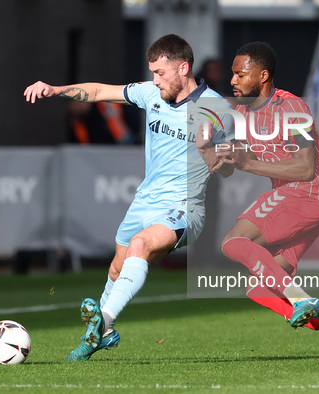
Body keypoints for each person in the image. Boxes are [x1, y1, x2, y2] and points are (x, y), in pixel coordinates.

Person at [24, 34, 234, 361]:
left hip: (184, 208)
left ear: (183, 68)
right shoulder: (151, 93)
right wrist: (55, 89)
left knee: (140, 245)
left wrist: (218, 157)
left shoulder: (216, 108)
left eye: (160, 73)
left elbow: (229, 165)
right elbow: (99, 92)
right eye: (152, 72)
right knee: (116, 269)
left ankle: (102, 323)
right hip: (145, 201)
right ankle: (99, 336)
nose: (154, 80)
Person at [206, 42, 319, 367]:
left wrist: (246, 164)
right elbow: (228, 167)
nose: (233, 80)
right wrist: (218, 155)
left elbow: (305, 167)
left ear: (262, 75)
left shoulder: (293, 109)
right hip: (302, 203)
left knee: (234, 242)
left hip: (306, 194)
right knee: (260, 289)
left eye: (241, 73)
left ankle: (303, 301)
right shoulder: (241, 113)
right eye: (233, 74)